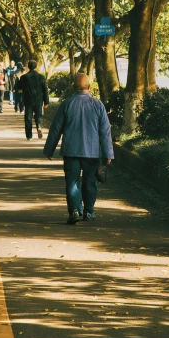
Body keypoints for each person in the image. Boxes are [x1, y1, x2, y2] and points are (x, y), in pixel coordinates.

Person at [43, 73, 113, 225]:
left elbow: (56, 128)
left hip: (71, 151)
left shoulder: (67, 104)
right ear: (89, 86)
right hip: (91, 152)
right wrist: (108, 153)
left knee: (72, 181)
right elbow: (105, 132)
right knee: (90, 182)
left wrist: (49, 149)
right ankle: (89, 211)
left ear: (74, 87)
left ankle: (75, 210)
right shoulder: (98, 105)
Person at [16, 60, 49, 140]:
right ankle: (39, 127)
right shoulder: (41, 77)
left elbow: (18, 87)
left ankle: (29, 136)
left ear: (28, 66)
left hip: (28, 100)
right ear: (36, 67)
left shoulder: (24, 77)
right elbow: (45, 90)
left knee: (28, 118)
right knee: (39, 116)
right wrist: (46, 102)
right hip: (38, 100)